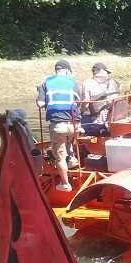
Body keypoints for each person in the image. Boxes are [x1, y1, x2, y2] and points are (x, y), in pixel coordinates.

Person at [36, 59, 81, 192]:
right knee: (71, 138)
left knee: (59, 156)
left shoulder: (46, 83)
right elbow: (78, 102)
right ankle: (72, 158)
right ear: (67, 70)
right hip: (75, 125)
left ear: (56, 70)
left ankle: (65, 184)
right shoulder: (72, 82)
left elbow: (40, 104)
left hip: (58, 125)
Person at [81, 62, 120, 128]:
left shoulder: (87, 83)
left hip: (97, 121)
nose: (108, 74)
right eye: (107, 72)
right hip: (115, 119)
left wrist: (80, 112)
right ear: (102, 71)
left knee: (80, 119)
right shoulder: (114, 82)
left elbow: (86, 104)